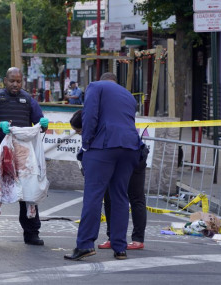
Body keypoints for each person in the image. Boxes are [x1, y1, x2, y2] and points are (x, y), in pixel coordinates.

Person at [64, 72, 141, 261]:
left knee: (93, 195)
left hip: (104, 145)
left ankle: (85, 245)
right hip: (131, 146)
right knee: (120, 196)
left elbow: (90, 116)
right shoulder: (128, 94)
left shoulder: (94, 87)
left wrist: (87, 143)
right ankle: (120, 247)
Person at [0, 67, 49, 246]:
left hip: (22, 155)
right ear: (4, 80)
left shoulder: (28, 100)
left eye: (18, 81)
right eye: (12, 81)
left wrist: (44, 124)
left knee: (28, 192)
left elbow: (40, 122)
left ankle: (32, 233)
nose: (15, 84)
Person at [69, 110, 148, 252]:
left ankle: (136, 239)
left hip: (131, 157)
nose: (78, 134)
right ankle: (115, 239)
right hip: (128, 154)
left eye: (79, 131)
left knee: (134, 197)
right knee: (112, 197)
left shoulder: (101, 129)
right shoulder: (105, 121)